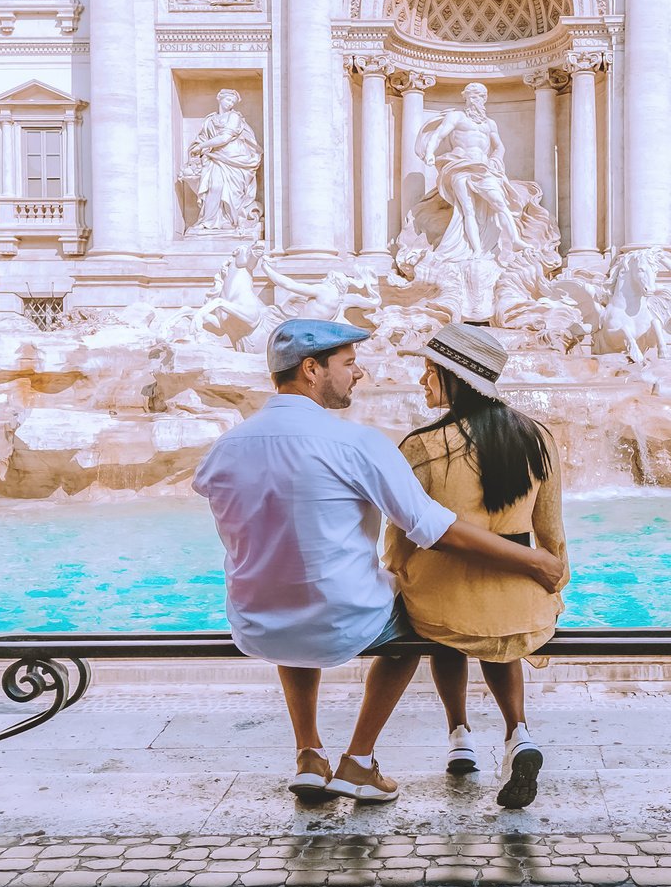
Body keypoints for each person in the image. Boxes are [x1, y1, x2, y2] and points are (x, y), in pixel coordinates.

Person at [192, 318, 564, 805]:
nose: (359, 374)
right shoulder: (356, 443)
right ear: (311, 370)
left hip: (256, 623)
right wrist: (536, 563)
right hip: (343, 621)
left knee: (297, 587)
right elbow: (431, 527)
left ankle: (309, 753)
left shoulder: (223, 449)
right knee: (409, 627)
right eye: (349, 364)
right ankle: (360, 760)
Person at [384, 322, 568, 810]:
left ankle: (460, 735)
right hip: (518, 593)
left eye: (429, 372)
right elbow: (551, 533)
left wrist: (396, 573)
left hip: (442, 597)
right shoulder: (537, 437)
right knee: (497, 632)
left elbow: (399, 542)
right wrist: (552, 582)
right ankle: (519, 734)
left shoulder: (421, 446)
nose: (422, 382)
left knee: (443, 626)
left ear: (454, 378)